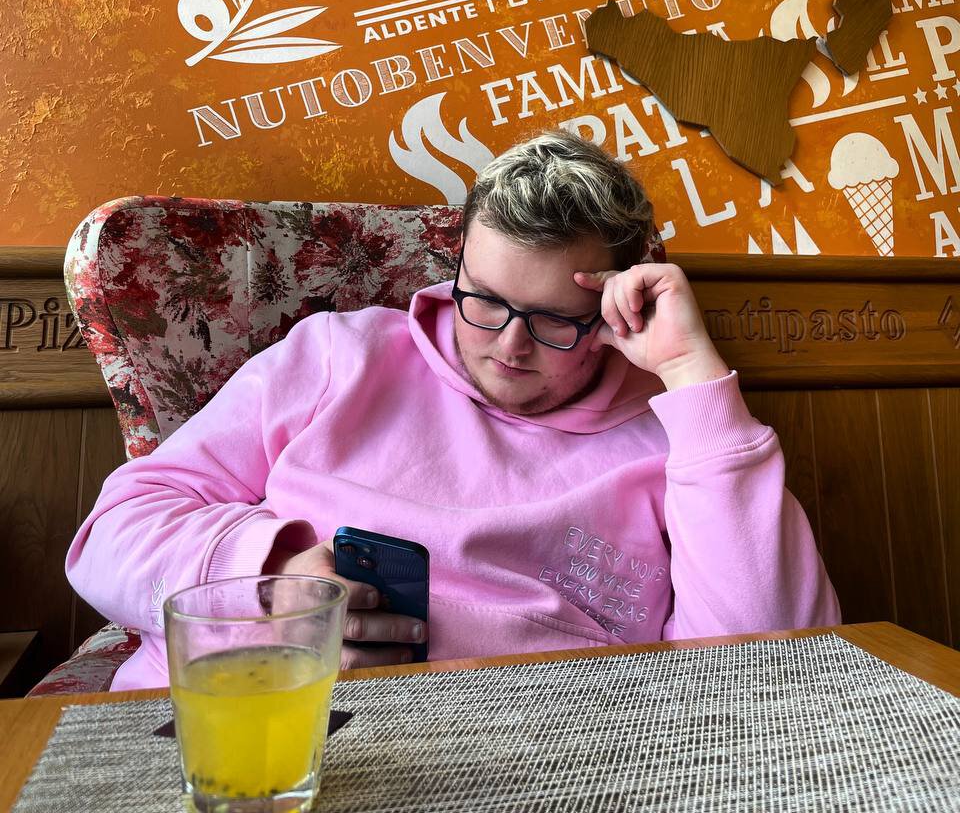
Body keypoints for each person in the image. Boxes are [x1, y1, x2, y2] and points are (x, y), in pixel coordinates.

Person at [66, 130, 840, 690]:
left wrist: (692, 375)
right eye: (484, 300)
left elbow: (774, 669)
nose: (509, 346)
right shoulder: (339, 355)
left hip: (551, 753)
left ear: (616, 304)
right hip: (269, 712)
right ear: (459, 260)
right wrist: (269, 585)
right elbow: (114, 534)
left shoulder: (680, 438)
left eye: (555, 320)